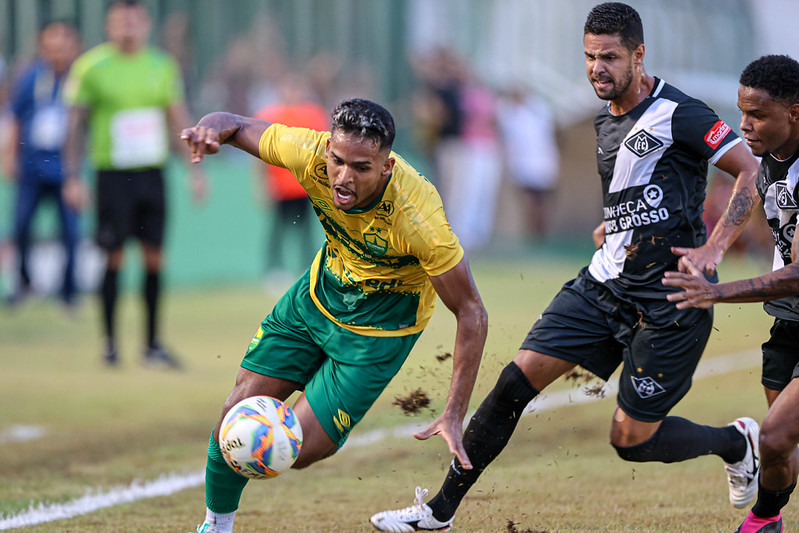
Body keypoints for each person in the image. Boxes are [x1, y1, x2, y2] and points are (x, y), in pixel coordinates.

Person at [369, 3, 762, 531]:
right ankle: (437, 512)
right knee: (512, 385)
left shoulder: (681, 112)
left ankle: (736, 442)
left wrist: (714, 248)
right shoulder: (604, 118)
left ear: (639, 55)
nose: (597, 68)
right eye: (589, 56)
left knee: (632, 441)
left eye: (610, 57)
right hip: (602, 286)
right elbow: (638, 189)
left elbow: (748, 170)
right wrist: (613, 227)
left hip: (672, 297)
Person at [179, 97, 488, 533]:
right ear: (327, 149)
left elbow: (472, 312)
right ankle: (216, 525)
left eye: (361, 168)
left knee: (294, 451)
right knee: (236, 419)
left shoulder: (420, 220)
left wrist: (454, 410)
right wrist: (208, 130)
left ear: (386, 168)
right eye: (338, 161)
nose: (343, 177)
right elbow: (232, 123)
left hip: (379, 331)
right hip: (317, 298)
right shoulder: (307, 152)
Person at [663, 54, 799, 533]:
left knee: (775, 436)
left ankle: (760, 521)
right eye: (742, 112)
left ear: (794, 113)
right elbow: (750, 193)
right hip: (791, 319)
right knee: (782, 443)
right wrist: (714, 247)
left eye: (757, 114)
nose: (744, 125)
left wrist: (714, 293)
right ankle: (772, 518)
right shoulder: (771, 154)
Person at [62, 0, 206, 368]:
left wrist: (194, 169)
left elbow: (177, 118)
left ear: (145, 25)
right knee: (113, 256)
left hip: (152, 174)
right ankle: (110, 344)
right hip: (112, 175)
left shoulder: (162, 65)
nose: (127, 27)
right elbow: (74, 126)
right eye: (120, 21)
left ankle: (152, 344)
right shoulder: (91, 67)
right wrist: (72, 177)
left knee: (154, 256)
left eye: (134, 21)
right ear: (109, 25)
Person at [3, 20, 81, 308]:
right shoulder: (31, 78)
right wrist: (9, 156)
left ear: (74, 46)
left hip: (66, 168)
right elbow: (16, 119)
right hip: (32, 165)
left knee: (71, 232)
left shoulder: (80, 79)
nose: (58, 49)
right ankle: (23, 282)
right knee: (21, 225)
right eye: (52, 43)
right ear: (43, 46)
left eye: (64, 42)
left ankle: (69, 292)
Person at [253, 73, 328, 288]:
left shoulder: (312, 114)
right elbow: (259, 153)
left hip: (304, 186)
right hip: (280, 187)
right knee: (277, 231)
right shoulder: (269, 115)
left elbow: (322, 148)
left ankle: (309, 269)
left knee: (306, 231)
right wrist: (261, 184)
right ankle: (274, 270)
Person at [497, 85, 560, 241]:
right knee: (528, 200)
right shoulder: (509, 113)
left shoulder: (538, 110)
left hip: (542, 163)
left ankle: (540, 232)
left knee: (541, 201)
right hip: (522, 164)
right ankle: (530, 232)